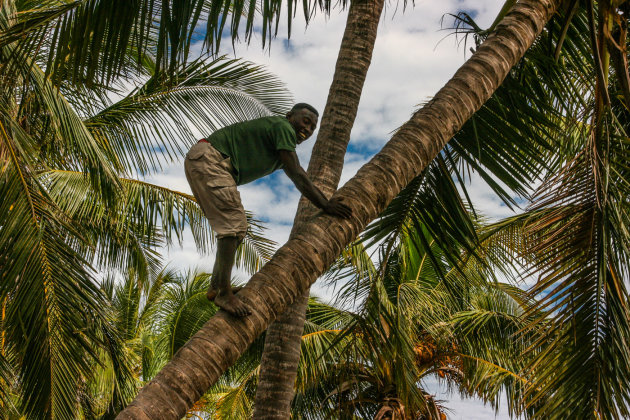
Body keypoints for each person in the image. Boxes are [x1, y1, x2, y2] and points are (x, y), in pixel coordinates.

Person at [184, 103, 352, 317]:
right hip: (210, 160)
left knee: (237, 231)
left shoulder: (279, 147)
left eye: (312, 128)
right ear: (290, 116)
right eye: (305, 122)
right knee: (233, 226)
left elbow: (293, 171)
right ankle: (223, 294)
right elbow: (297, 174)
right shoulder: (282, 127)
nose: (307, 130)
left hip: (204, 160)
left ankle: (217, 287)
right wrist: (326, 205)